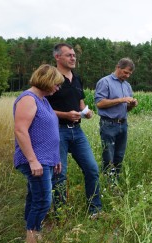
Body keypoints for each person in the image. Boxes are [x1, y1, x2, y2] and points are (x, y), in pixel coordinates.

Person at [13, 64, 64, 243]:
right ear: (47, 81)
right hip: (35, 160)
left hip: (46, 159)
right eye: (56, 84)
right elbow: (20, 130)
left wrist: (56, 157)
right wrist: (33, 160)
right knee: (43, 201)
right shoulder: (28, 98)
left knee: (35, 198)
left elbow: (50, 132)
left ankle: (33, 235)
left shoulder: (43, 100)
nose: (57, 88)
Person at [46, 43, 102, 216]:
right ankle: (60, 214)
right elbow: (42, 109)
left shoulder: (76, 79)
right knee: (59, 175)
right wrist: (65, 115)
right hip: (57, 131)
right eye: (69, 55)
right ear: (57, 57)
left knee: (92, 169)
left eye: (74, 55)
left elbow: (80, 104)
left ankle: (95, 211)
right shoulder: (50, 78)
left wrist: (86, 112)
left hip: (77, 132)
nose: (73, 58)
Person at [94, 58, 138, 186]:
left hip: (123, 124)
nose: (127, 76)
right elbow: (99, 103)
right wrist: (121, 99)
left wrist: (131, 104)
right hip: (108, 124)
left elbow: (126, 108)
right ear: (118, 67)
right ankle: (109, 184)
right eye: (125, 72)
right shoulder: (105, 82)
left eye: (130, 74)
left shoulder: (127, 85)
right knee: (108, 156)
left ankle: (116, 181)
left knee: (119, 155)